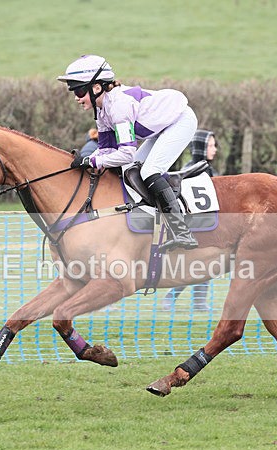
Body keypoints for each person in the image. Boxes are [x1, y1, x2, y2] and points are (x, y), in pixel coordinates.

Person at [57, 54, 198, 252]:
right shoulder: (102, 111)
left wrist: (92, 159)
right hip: (161, 127)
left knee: (149, 171)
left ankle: (182, 231)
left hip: (180, 121)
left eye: (79, 90)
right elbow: (106, 150)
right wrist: (86, 160)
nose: (76, 97)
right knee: (130, 172)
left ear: (96, 87)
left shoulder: (118, 107)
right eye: (73, 91)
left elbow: (126, 154)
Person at [161, 129, 218, 312]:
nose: (214, 149)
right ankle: (171, 297)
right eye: (210, 145)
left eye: (214, 145)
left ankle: (199, 302)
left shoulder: (210, 170)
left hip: (208, 223)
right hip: (193, 225)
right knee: (197, 264)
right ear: (200, 148)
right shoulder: (188, 171)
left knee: (206, 264)